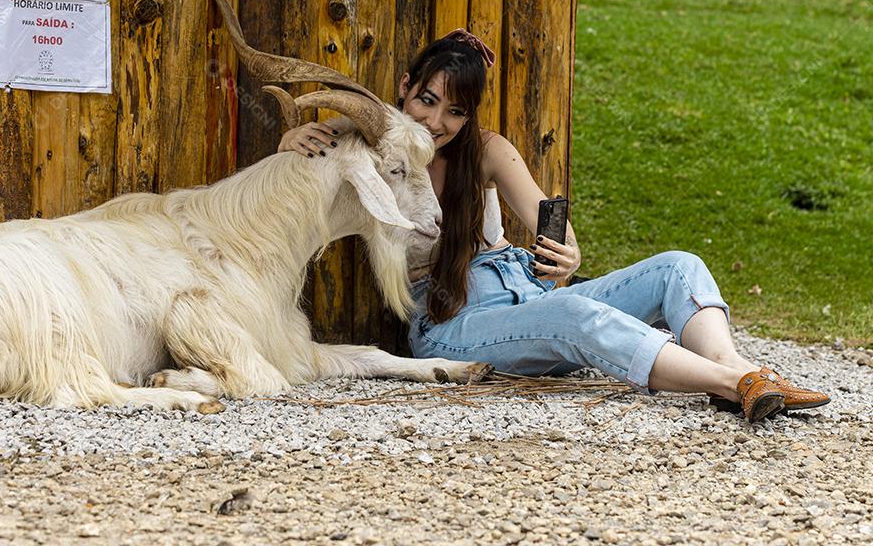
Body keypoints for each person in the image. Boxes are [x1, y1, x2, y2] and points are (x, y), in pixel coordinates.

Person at [278, 30, 830, 423]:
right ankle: (736, 385)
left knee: (679, 266)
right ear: (405, 86)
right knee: (573, 313)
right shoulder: (372, 143)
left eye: (455, 112)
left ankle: (738, 368)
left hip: (527, 292)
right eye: (427, 100)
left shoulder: (488, 152)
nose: (436, 122)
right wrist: (291, 141)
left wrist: (568, 253)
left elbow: (553, 223)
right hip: (452, 320)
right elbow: (305, 162)